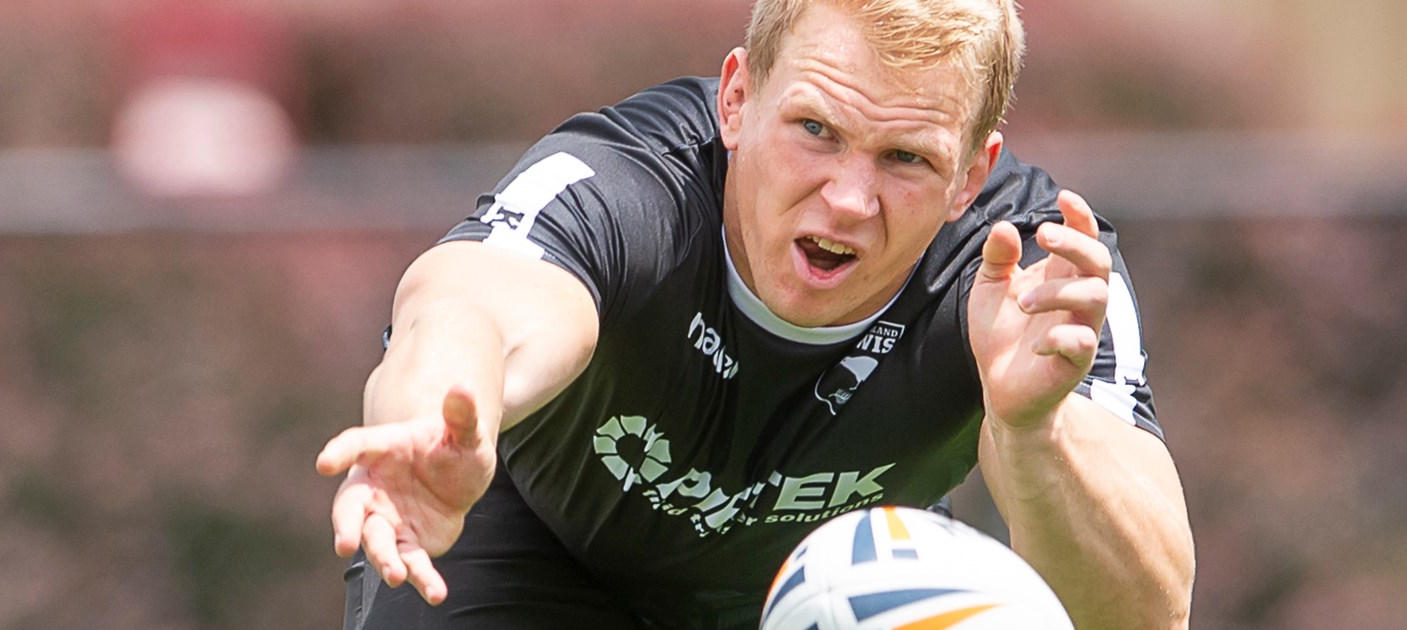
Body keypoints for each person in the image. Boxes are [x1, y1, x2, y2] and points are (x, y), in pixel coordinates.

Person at [315, 0, 1195, 627]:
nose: (849, 199)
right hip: (530, 550)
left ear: (972, 173)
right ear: (737, 99)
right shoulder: (630, 186)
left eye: (906, 158)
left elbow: (1147, 616)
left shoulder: (1034, 273)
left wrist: (1036, 431)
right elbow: (468, 306)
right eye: (815, 130)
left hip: (838, 589)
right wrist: (435, 426)